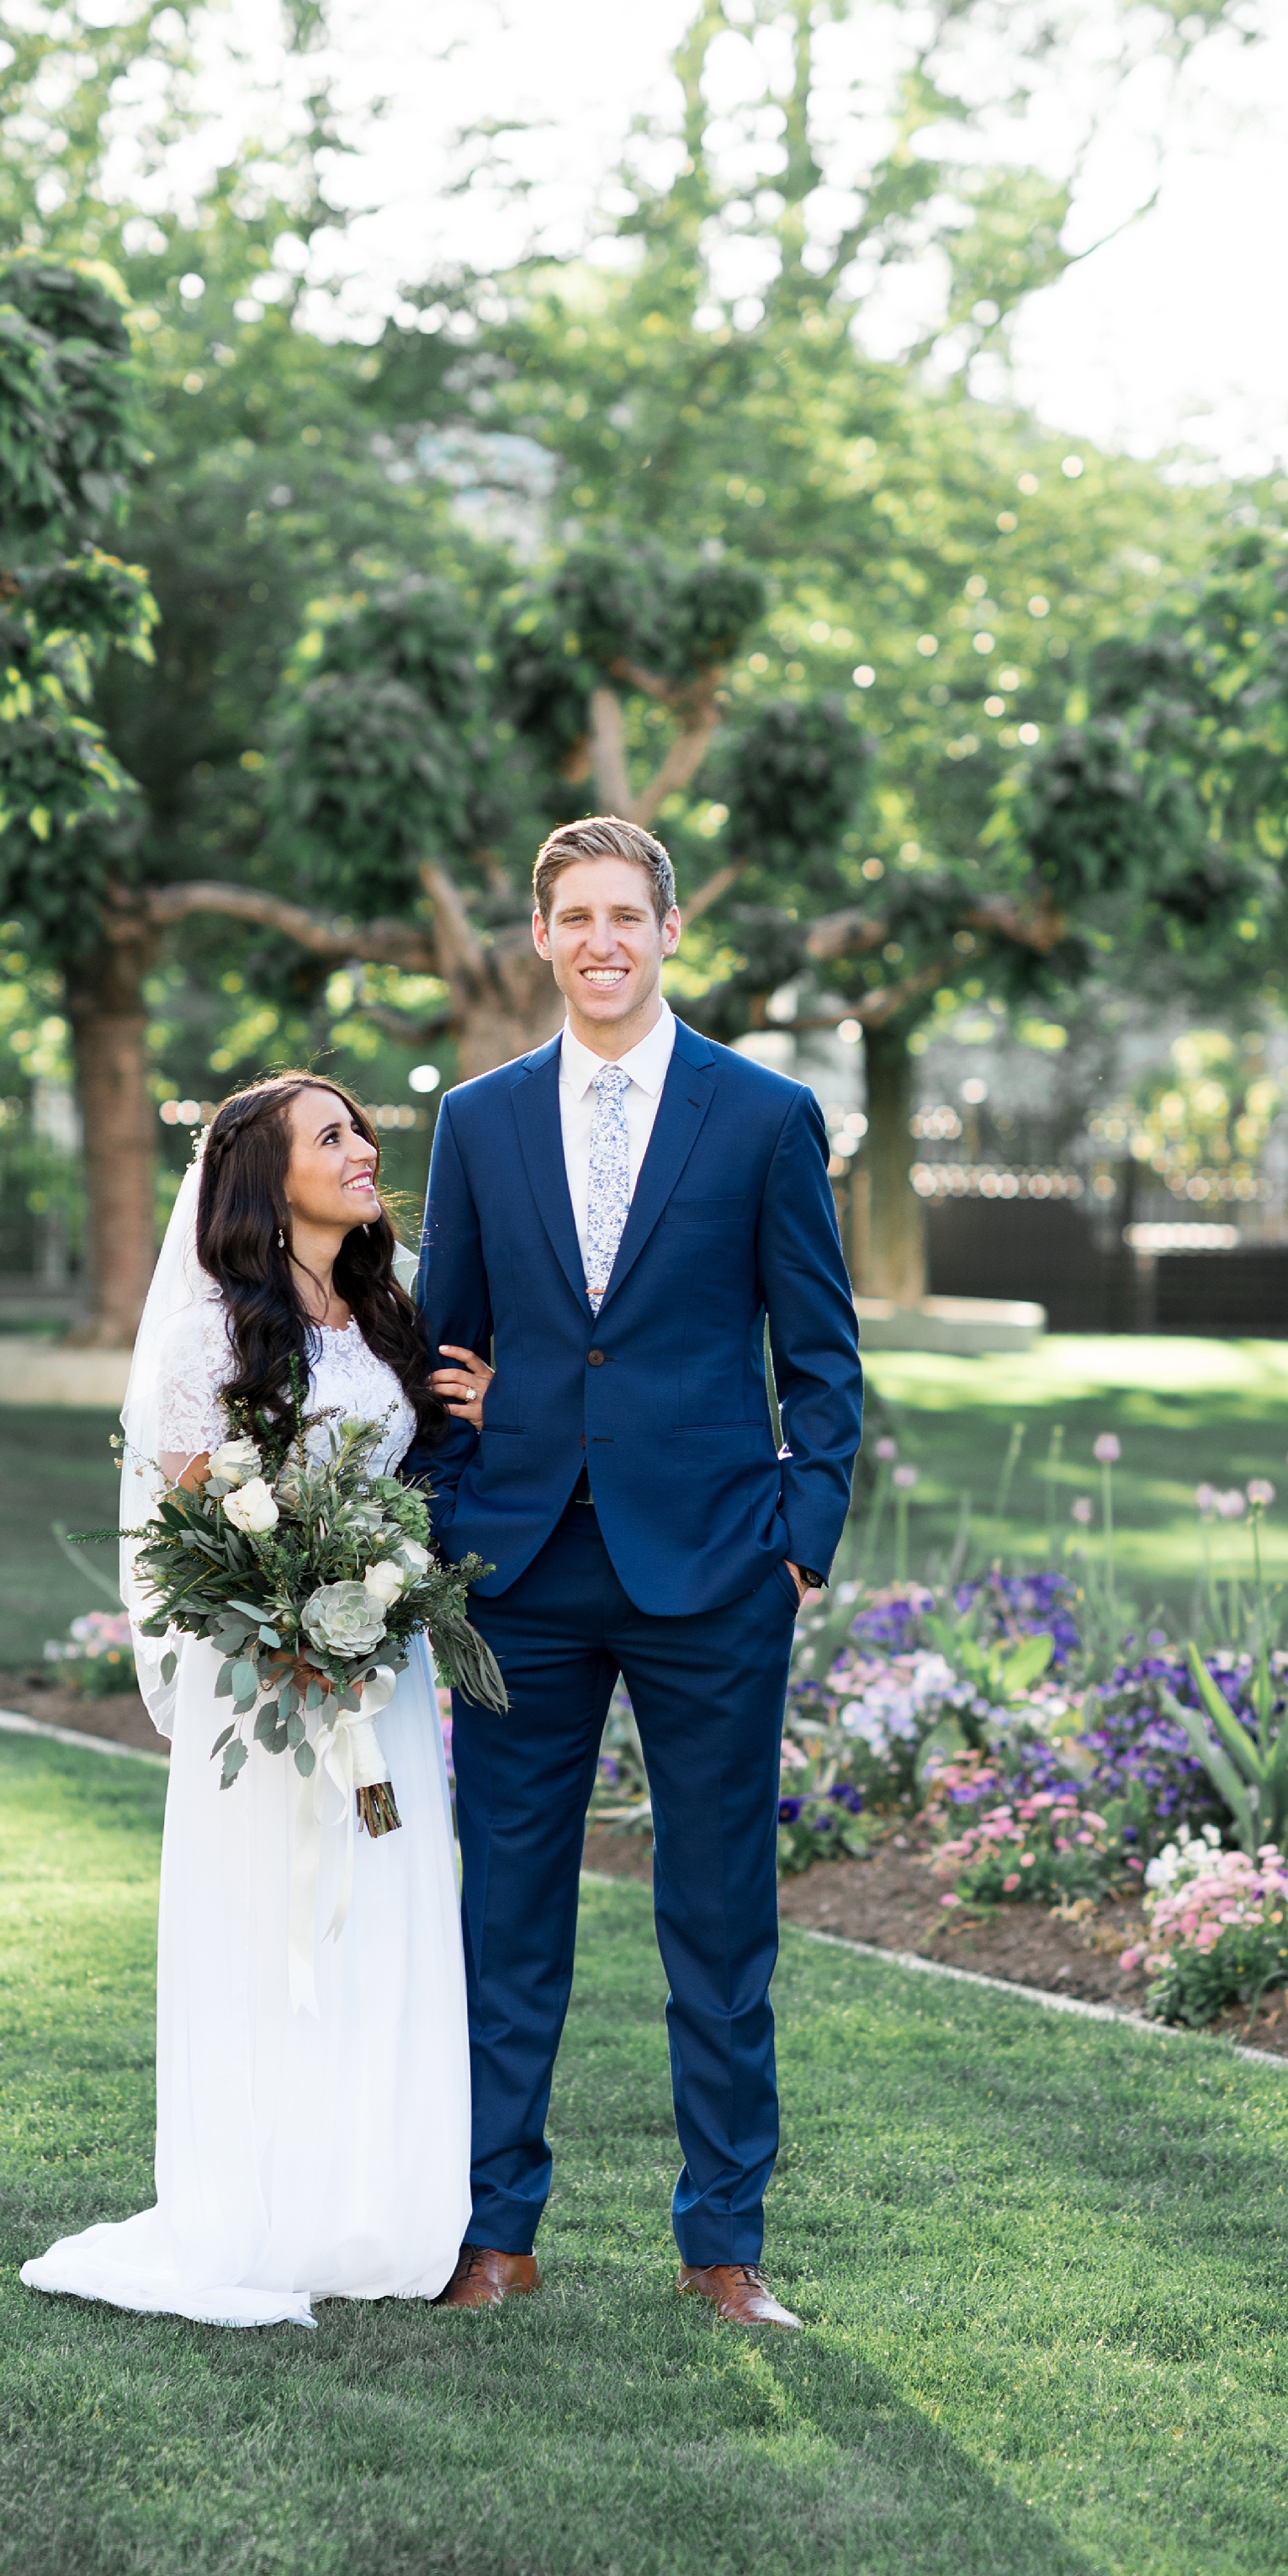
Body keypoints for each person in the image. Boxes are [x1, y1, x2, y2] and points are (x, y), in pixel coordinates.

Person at [411, 817, 865, 2329]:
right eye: (575, 917)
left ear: (670, 932)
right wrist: (451, 1509)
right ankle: (495, 2230)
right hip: (523, 1570)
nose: (602, 940)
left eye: (628, 915)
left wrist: (800, 1541)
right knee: (506, 1916)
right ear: (539, 938)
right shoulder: (478, 1121)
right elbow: (443, 1350)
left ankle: (724, 2246)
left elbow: (820, 1352)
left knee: (722, 1918)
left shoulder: (764, 1113)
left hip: (715, 1572)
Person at [20, 1075, 481, 2329]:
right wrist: (281, 1627)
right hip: (263, 1688)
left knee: (382, 1910)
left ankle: (374, 2203)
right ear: (264, 1180)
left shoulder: (395, 1312)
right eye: (329, 1137)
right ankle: (257, 2203)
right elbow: (186, 1534)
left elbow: (430, 1469)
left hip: (380, 1682)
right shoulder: (209, 1337)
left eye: (361, 1128)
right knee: (273, 1924)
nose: (363, 1148)